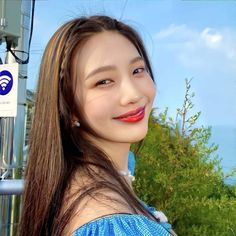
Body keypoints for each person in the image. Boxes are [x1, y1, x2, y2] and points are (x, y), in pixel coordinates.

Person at [19, 15, 177, 236]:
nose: (133, 94)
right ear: (69, 105)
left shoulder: (86, 172)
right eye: (103, 81)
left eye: (137, 70)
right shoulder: (112, 226)